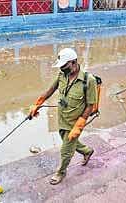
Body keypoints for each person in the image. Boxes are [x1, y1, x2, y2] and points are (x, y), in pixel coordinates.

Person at [29, 48, 97, 185]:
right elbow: (50, 90)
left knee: (66, 150)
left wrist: (79, 125)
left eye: (64, 66)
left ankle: (61, 172)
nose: (62, 68)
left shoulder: (88, 80)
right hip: (62, 118)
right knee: (68, 141)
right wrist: (38, 103)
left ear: (74, 62)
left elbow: (90, 105)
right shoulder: (62, 75)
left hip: (75, 121)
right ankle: (87, 151)